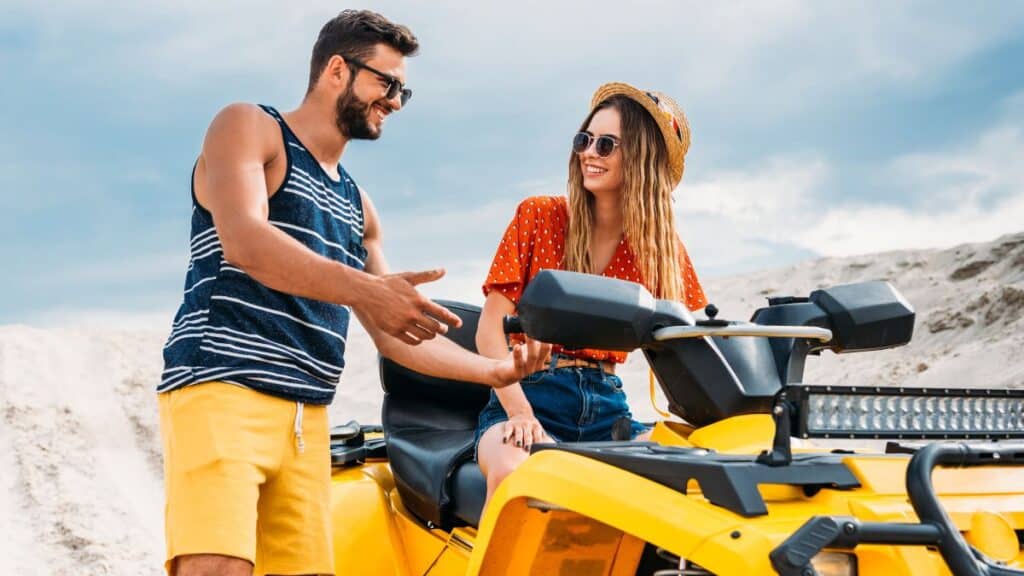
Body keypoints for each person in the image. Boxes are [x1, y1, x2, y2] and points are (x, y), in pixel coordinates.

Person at [158, 10, 549, 576]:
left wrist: (491, 373)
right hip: (221, 388)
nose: (394, 101)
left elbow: (393, 337)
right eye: (385, 83)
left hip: (307, 416)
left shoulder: (358, 206)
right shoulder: (249, 127)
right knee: (217, 568)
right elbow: (245, 241)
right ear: (336, 70)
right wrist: (371, 289)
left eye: (402, 91)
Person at [474, 82, 708, 504]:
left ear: (641, 159)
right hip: (529, 394)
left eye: (606, 144)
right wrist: (521, 413)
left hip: (608, 407)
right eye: (585, 140)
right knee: (514, 476)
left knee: (702, 472)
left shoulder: (660, 250)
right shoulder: (539, 216)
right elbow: (489, 331)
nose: (589, 152)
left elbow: (698, 340)